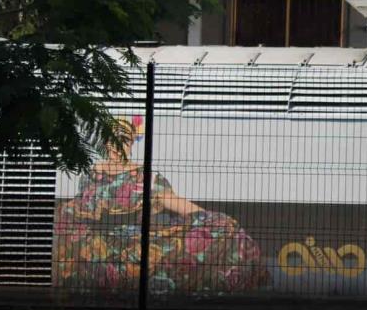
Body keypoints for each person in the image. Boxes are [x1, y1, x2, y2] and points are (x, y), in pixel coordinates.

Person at [54, 116, 270, 295]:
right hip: (115, 246)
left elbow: (179, 205)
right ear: (107, 143)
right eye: (114, 140)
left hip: (118, 246)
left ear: (131, 144)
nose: (118, 146)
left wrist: (213, 220)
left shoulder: (143, 177)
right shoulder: (93, 174)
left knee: (220, 228)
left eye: (125, 140)